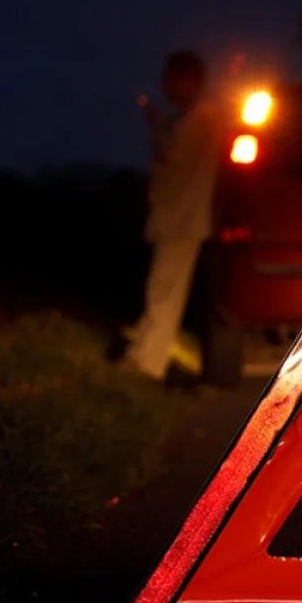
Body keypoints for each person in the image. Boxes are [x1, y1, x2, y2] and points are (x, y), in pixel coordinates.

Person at [122, 50, 222, 382]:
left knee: (165, 293)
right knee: (161, 290)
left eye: (170, 79)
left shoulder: (202, 116)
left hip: (183, 220)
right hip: (177, 219)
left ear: (187, 81)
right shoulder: (192, 116)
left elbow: (173, 153)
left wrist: (155, 122)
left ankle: (148, 364)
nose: (165, 86)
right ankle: (145, 357)